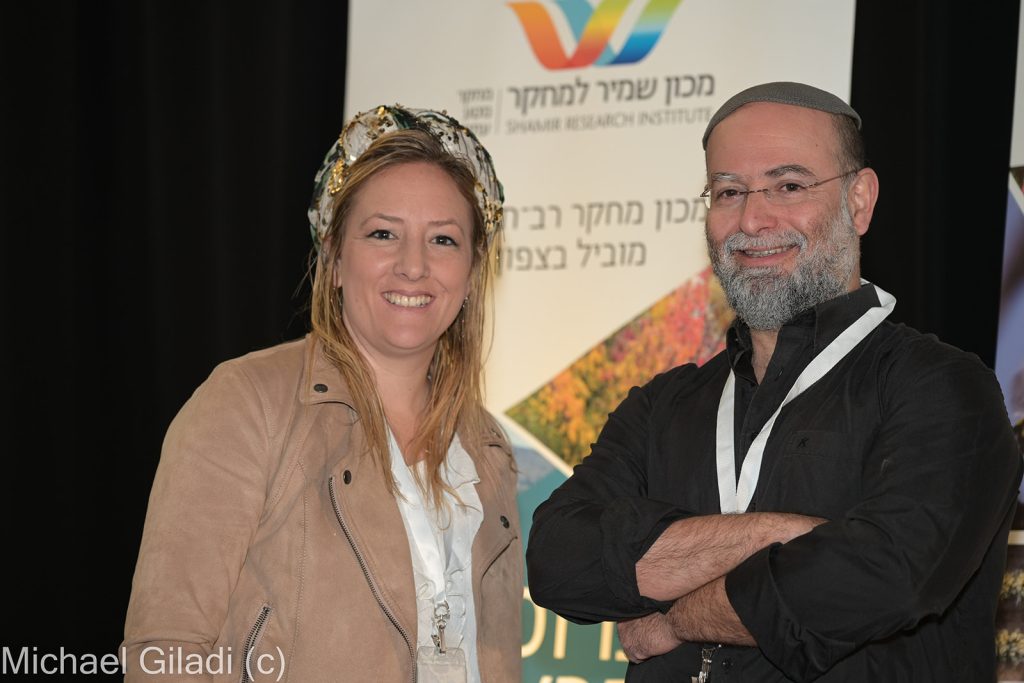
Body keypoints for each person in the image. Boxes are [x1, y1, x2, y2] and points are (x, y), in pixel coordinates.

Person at [525, 82, 1023, 682]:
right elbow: (558, 559)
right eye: (728, 191)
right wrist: (779, 534)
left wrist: (679, 619)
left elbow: (884, 576)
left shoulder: (943, 390)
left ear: (859, 201)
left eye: (789, 186)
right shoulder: (663, 407)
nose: (752, 219)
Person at [122, 105, 522, 682]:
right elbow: (164, 650)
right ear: (333, 257)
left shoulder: (487, 449)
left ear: (472, 271)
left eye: (443, 239)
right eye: (383, 234)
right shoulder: (247, 403)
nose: (413, 266)